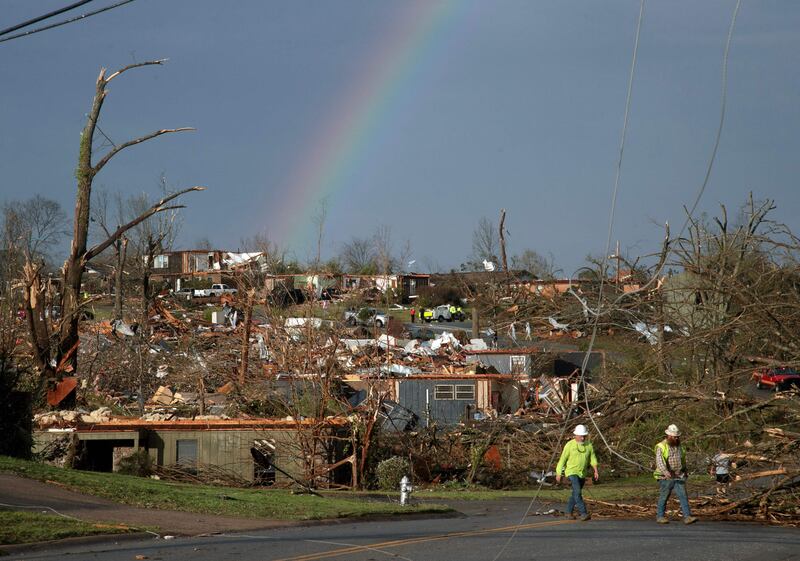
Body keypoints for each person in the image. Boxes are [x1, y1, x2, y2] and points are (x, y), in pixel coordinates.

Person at [654, 424, 698, 525]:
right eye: (675, 436)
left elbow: (682, 460)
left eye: (677, 436)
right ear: (669, 436)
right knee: (664, 496)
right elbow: (660, 461)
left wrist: (685, 471)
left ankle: (687, 516)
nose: (677, 438)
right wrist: (665, 472)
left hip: (679, 476)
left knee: (683, 495)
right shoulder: (661, 446)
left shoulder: (679, 447)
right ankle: (660, 516)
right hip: (664, 477)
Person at [556, 424, 598, 521]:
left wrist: (595, 470)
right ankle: (583, 513)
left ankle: (568, 512)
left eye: (584, 436)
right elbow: (562, 460)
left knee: (575, 493)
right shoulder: (569, 445)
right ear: (575, 435)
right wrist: (559, 473)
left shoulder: (589, 445)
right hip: (571, 472)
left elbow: (593, 458)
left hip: (582, 473)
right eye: (580, 436)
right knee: (578, 492)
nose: (582, 438)